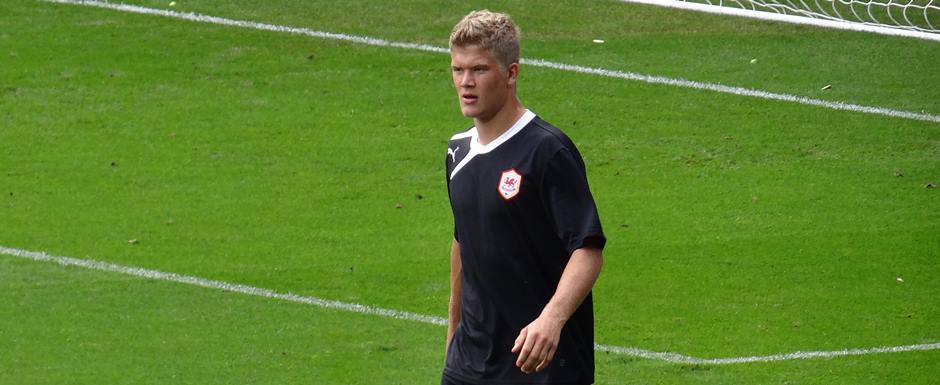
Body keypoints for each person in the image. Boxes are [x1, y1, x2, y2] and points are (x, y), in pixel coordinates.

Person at [442, 10, 606, 385]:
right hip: (469, 365)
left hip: (539, 366)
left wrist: (552, 319)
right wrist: (453, 341)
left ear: (511, 73)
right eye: (457, 70)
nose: (466, 82)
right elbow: (462, 244)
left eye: (479, 70)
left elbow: (587, 250)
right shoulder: (457, 152)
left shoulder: (547, 152)